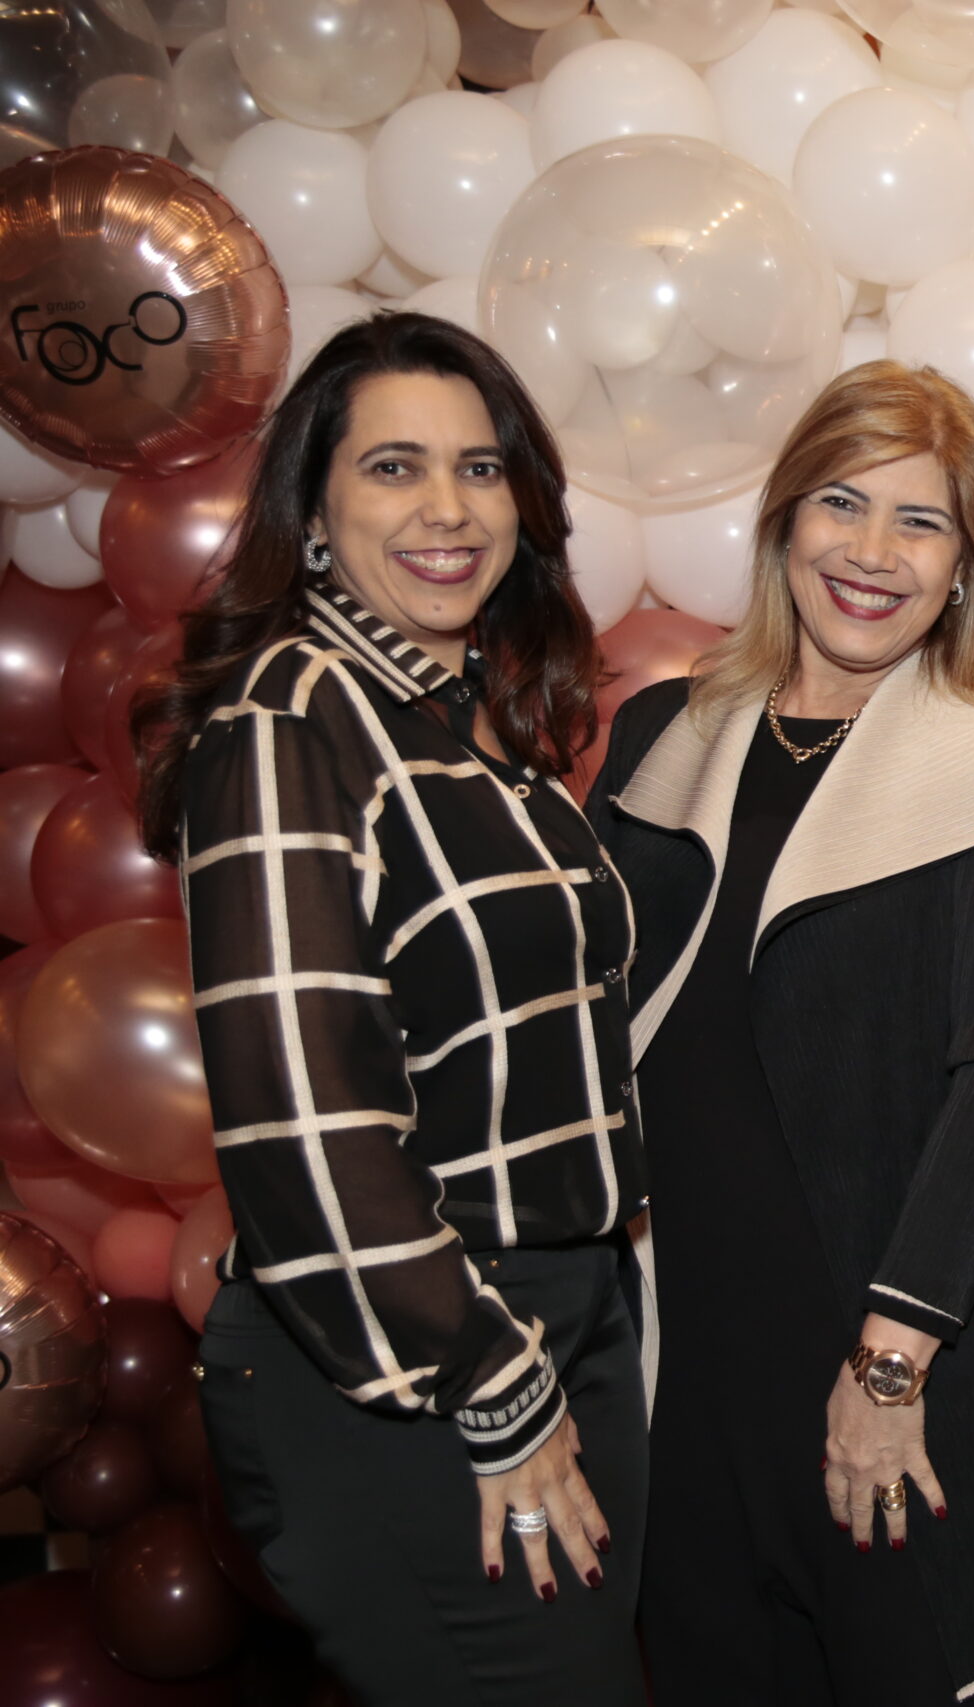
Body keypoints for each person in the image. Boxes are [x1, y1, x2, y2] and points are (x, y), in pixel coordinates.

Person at [138, 312, 646, 1703]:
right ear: (311, 516)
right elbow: (302, 1123)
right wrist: (490, 1378)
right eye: (393, 468)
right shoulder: (291, 720)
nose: (449, 508)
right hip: (417, 1357)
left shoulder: (474, 730)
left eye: (480, 469)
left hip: (557, 1316)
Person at [585, 361, 974, 1706]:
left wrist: (890, 1365)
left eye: (920, 523)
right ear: (785, 522)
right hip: (688, 1362)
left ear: (964, 566)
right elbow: (576, 1022)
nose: (872, 554)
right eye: (842, 505)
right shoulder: (662, 733)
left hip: (897, 1364)